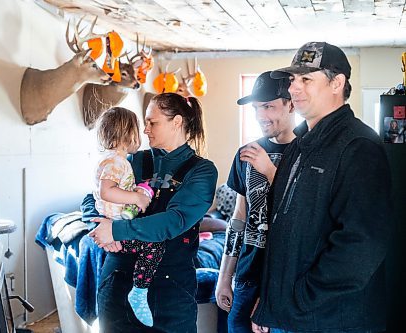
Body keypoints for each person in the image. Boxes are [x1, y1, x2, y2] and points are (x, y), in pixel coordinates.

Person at [251, 42, 392, 333]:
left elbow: (361, 245)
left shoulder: (358, 146)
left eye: (306, 79)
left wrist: (298, 299)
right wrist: (271, 303)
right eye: (292, 80)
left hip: (332, 319)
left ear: (336, 83)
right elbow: (285, 230)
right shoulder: (300, 144)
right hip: (294, 315)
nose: (293, 88)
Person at [89, 92, 218, 332]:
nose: (145, 129)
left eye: (152, 122)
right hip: (118, 277)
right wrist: (98, 227)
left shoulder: (202, 171)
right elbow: (92, 196)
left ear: (177, 122)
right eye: (145, 122)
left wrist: (116, 230)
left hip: (171, 290)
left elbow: (174, 220)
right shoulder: (133, 160)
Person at [215, 71, 296, 333]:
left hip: (288, 287)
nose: (261, 115)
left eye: (269, 106)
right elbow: (238, 219)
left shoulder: (309, 155)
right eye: (256, 108)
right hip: (246, 280)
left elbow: (304, 219)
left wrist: (271, 171)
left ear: (291, 104)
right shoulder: (246, 154)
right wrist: (224, 277)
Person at [92, 107, 160, 326]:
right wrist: (136, 198)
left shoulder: (117, 161)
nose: (144, 132)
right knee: (153, 246)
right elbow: (107, 191)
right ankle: (139, 292)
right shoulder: (115, 162)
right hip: (117, 226)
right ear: (128, 133)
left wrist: (140, 191)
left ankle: (139, 291)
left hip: (119, 223)